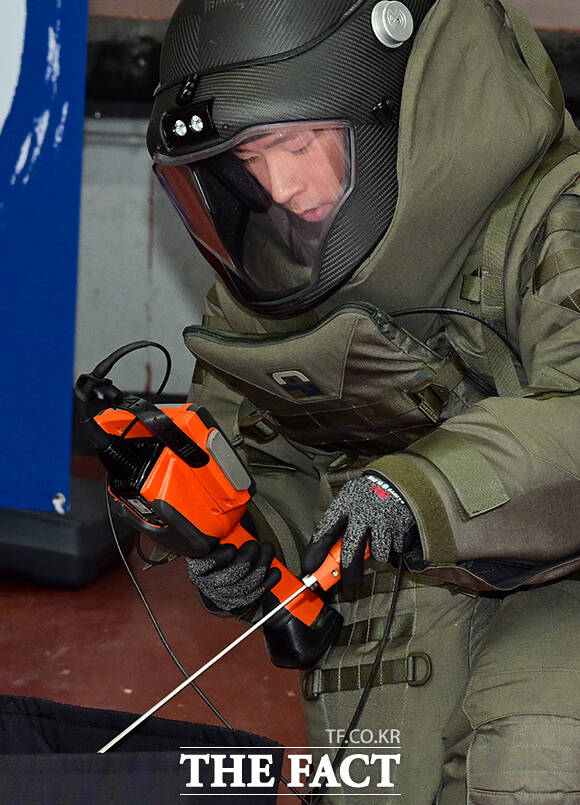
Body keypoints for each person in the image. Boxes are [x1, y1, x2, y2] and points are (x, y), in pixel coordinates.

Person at [147, 0, 580, 801]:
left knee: (532, 768)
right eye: (249, 157)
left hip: (563, 573)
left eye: (297, 142)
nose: (281, 186)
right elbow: (272, 451)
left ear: (396, 105)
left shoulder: (555, 215)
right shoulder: (278, 258)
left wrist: (420, 489)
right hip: (406, 594)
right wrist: (246, 543)